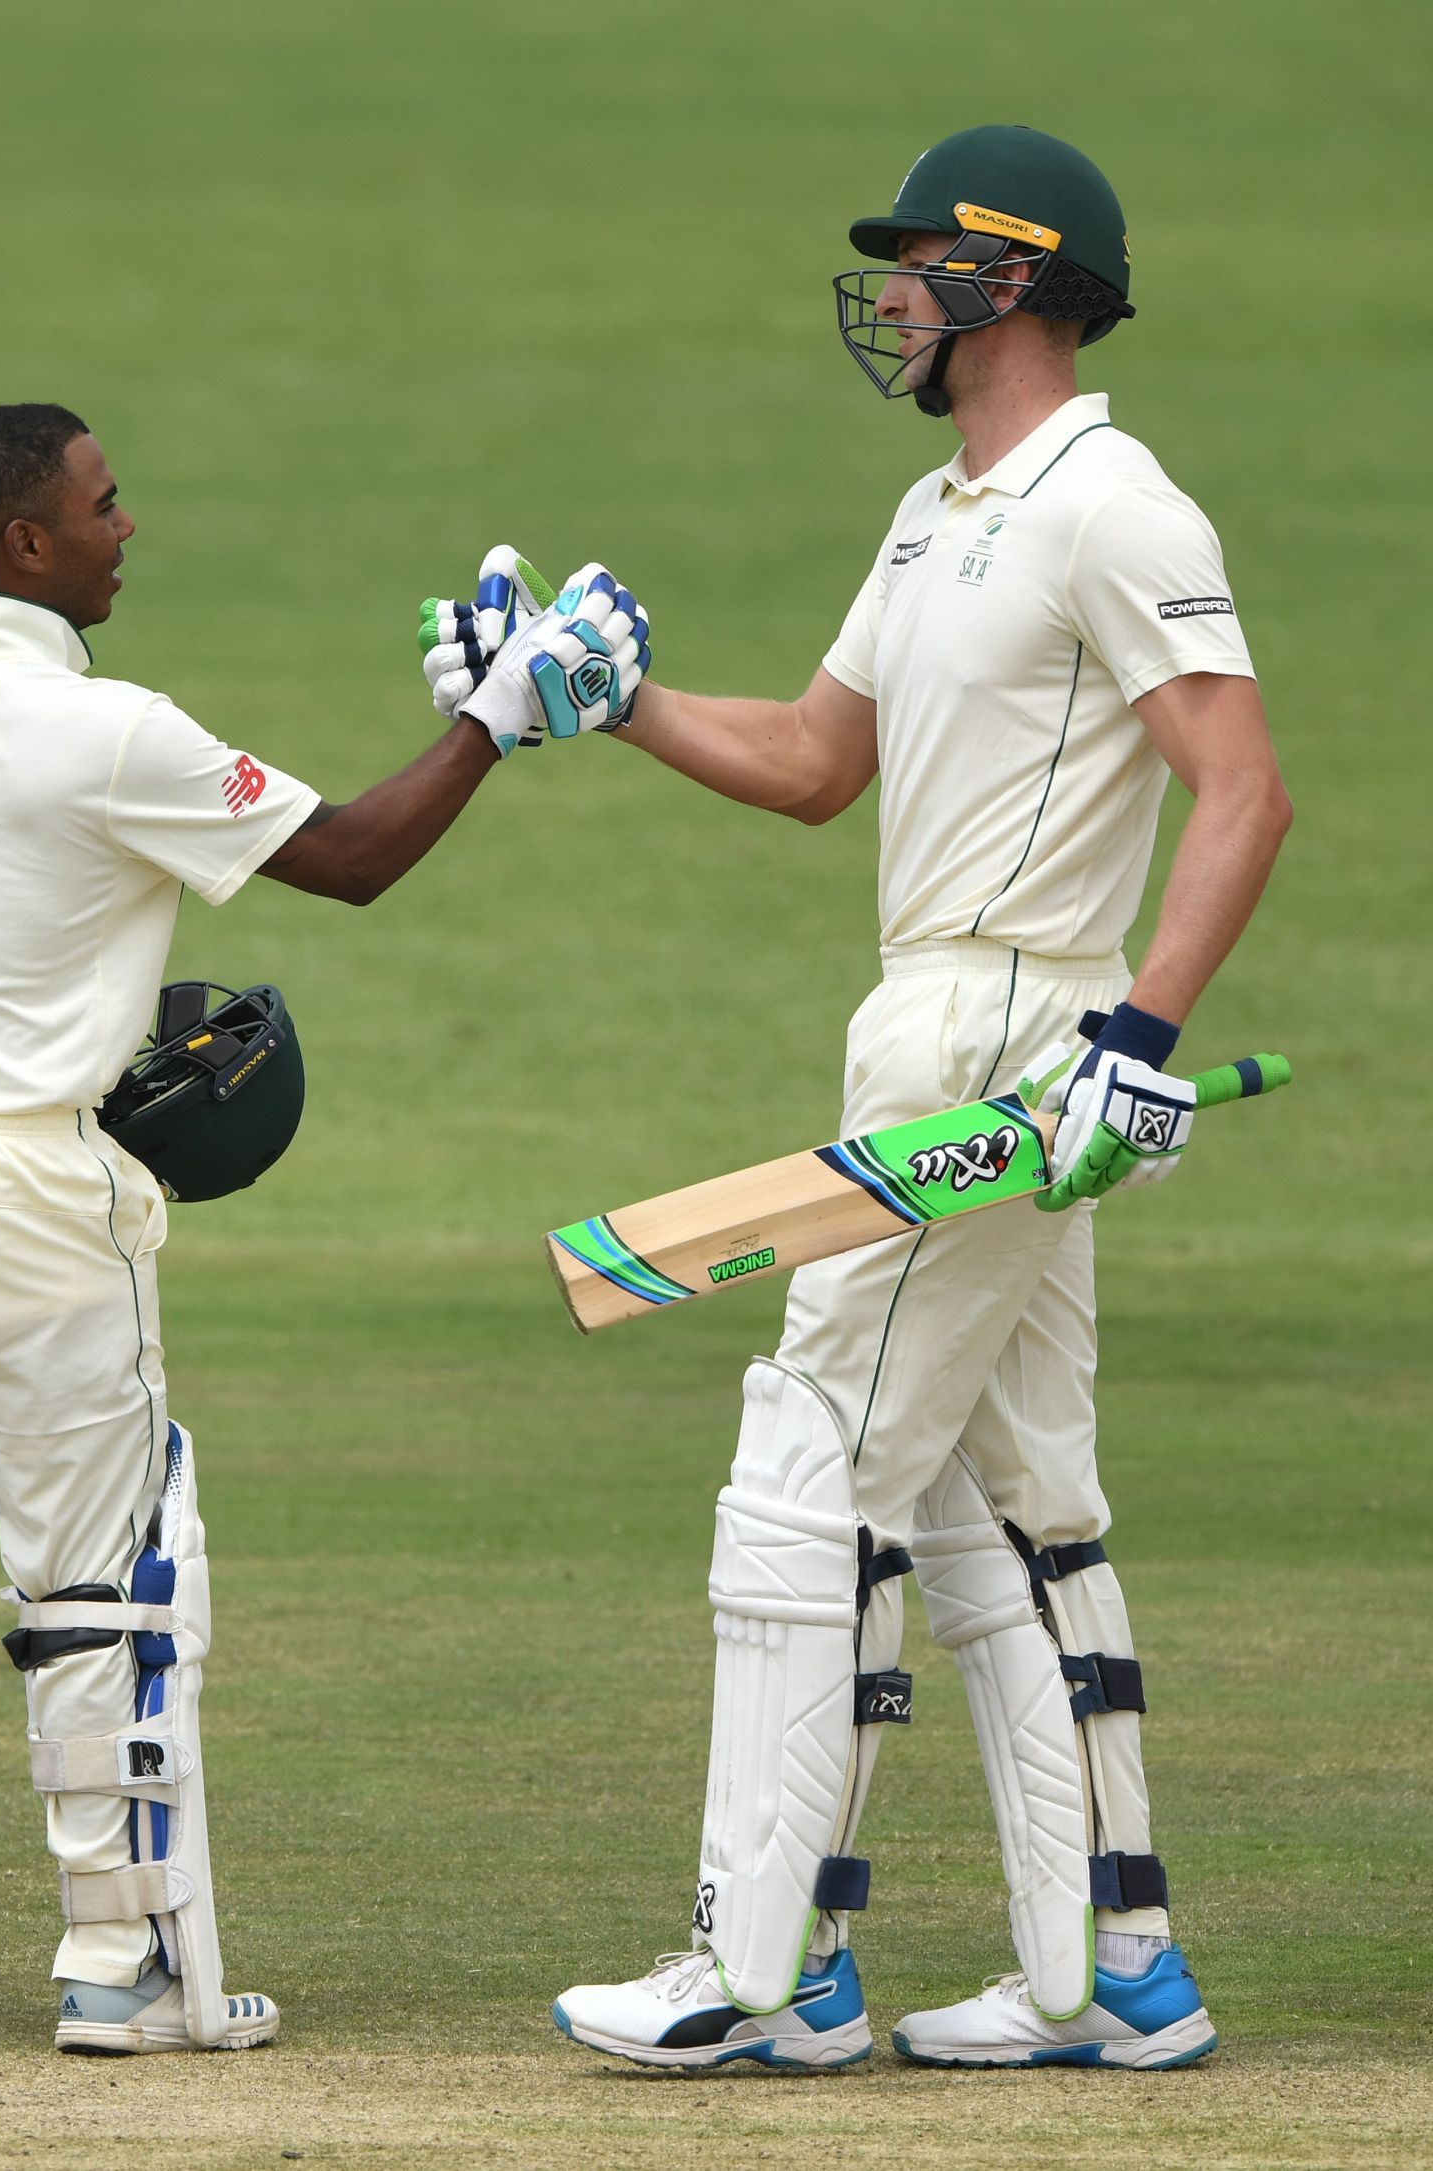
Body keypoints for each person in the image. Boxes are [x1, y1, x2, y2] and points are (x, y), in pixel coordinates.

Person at [0, 404, 646, 2056]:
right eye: (100, 503)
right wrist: (506, 719)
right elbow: (355, 860)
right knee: (105, 1572)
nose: (125, 526)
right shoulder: (115, 733)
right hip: (21, 1189)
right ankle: (124, 1965)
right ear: (24, 544)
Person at [437, 126, 1291, 2070]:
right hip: (939, 1012)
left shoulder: (1112, 504)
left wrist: (1135, 1043)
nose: (889, 296)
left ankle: (760, 1973)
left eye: (916, 262)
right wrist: (612, 701)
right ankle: (1107, 1977)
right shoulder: (936, 512)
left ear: (1013, 277)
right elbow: (825, 758)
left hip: (1010, 1034)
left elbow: (1241, 788)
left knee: (804, 1460)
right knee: (1018, 1500)